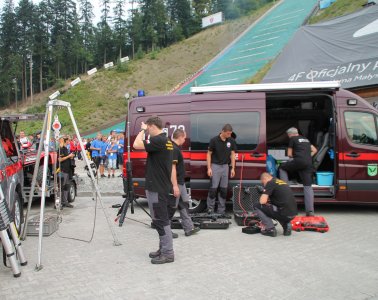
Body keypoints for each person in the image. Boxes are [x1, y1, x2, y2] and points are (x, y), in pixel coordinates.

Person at [133, 116, 174, 264]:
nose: (147, 131)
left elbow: (136, 144)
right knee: (159, 219)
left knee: (161, 220)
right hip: (159, 185)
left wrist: (142, 130)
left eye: (147, 128)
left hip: (157, 187)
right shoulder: (165, 141)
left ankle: (168, 253)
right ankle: (163, 249)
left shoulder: (159, 140)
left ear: (151, 126)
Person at [279, 127, 317, 216]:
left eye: (288, 135)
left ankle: (285, 187)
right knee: (307, 186)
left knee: (282, 167)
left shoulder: (292, 139)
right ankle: (310, 211)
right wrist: (307, 157)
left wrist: (294, 159)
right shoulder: (306, 139)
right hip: (308, 163)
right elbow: (314, 150)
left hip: (298, 161)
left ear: (290, 134)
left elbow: (289, 154)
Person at [169, 129, 200, 237]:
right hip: (177, 183)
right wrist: (174, 185)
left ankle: (188, 228)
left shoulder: (177, 148)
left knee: (184, 204)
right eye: (184, 137)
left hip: (181, 182)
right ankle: (166, 231)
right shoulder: (174, 149)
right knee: (172, 207)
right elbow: (172, 168)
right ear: (181, 137)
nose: (185, 139)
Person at [255, 172, 298, 237]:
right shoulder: (281, 182)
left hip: (283, 213)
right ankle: (286, 224)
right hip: (292, 214)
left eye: (263, 183)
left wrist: (263, 192)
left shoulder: (270, 183)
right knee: (274, 207)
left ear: (264, 179)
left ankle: (270, 229)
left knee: (257, 205)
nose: (264, 185)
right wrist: (265, 191)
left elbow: (262, 202)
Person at [207, 124, 237, 214]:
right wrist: (209, 168)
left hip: (225, 167)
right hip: (215, 166)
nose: (229, 135)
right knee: (213, 189)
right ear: (222, 131)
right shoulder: (214, 140)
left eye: (230, 133)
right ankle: (210, 209)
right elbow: (209, 154)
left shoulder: (231, 140)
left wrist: (233, 168)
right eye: (228, 133)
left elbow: (232, 155)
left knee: (224, 190)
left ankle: (221, 210)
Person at [58, 137, 75, 208]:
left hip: (68, 170)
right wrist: (69, 156)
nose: (69, 141)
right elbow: (60, 159)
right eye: (69, 140)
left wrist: (70, 157)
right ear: (65, 141)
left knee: (66, 186)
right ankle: (60, 203)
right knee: (61, 186)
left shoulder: (66, 148)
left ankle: (65, 202)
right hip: (62, 170)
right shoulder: (61, 149)